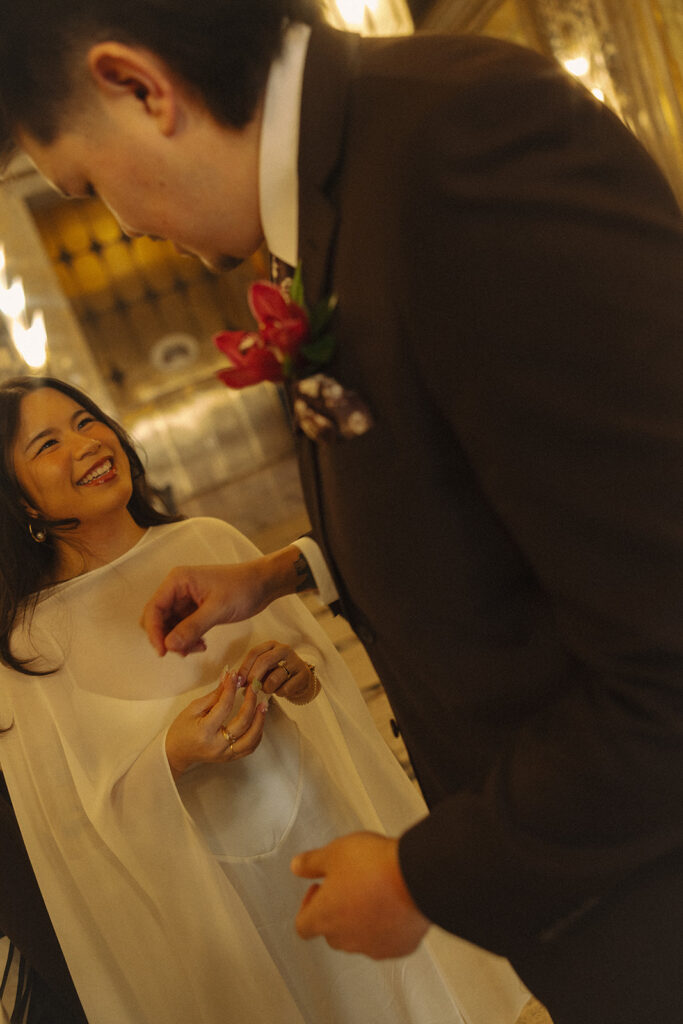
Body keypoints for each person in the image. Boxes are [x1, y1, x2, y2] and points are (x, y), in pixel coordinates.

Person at [0, 2, 682, 1021]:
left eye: (89, 185)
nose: (124, 225)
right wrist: (280, 574)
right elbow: (495, 519)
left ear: (139, 86)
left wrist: (427, 874)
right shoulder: (334, 213)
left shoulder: (455, 146)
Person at [0, 375, 527, 1024]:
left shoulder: (210, 545)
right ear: (19, 502)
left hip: (318, 832)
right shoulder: (29, 643)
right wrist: (173, 753)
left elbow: (316, 683)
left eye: (85, 421)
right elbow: (65, 826)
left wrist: (293, 675)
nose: (85, 443)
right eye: (47, 443)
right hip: (213, 901)